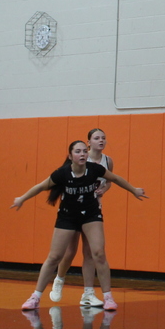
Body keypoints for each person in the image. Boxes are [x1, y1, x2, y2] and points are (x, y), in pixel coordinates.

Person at [12, 140, 148, 311]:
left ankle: (108, 297)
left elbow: (115, 178)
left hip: (90, 214)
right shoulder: (62, 174)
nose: (82, 154)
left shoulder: (94, 169)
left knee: (98, 253)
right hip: (67, 216)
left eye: (84, 151)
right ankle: (35, 296)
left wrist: (133, 190)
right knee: (55, 257)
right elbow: (40, 186)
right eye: (78, 151)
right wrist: (21, 199)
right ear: (70, 156)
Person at [50, 128, 113, 308]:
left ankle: (88, 293)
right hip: (72, 210)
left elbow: (109, 181)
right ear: (88, 142)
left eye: (103, 138)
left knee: (91, 252)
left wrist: (104, 189)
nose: (101, 141)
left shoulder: (107, 161)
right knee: (69, 252)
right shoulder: (81, 159)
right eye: (96, 138)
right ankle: (59, 279)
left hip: (92, 210)